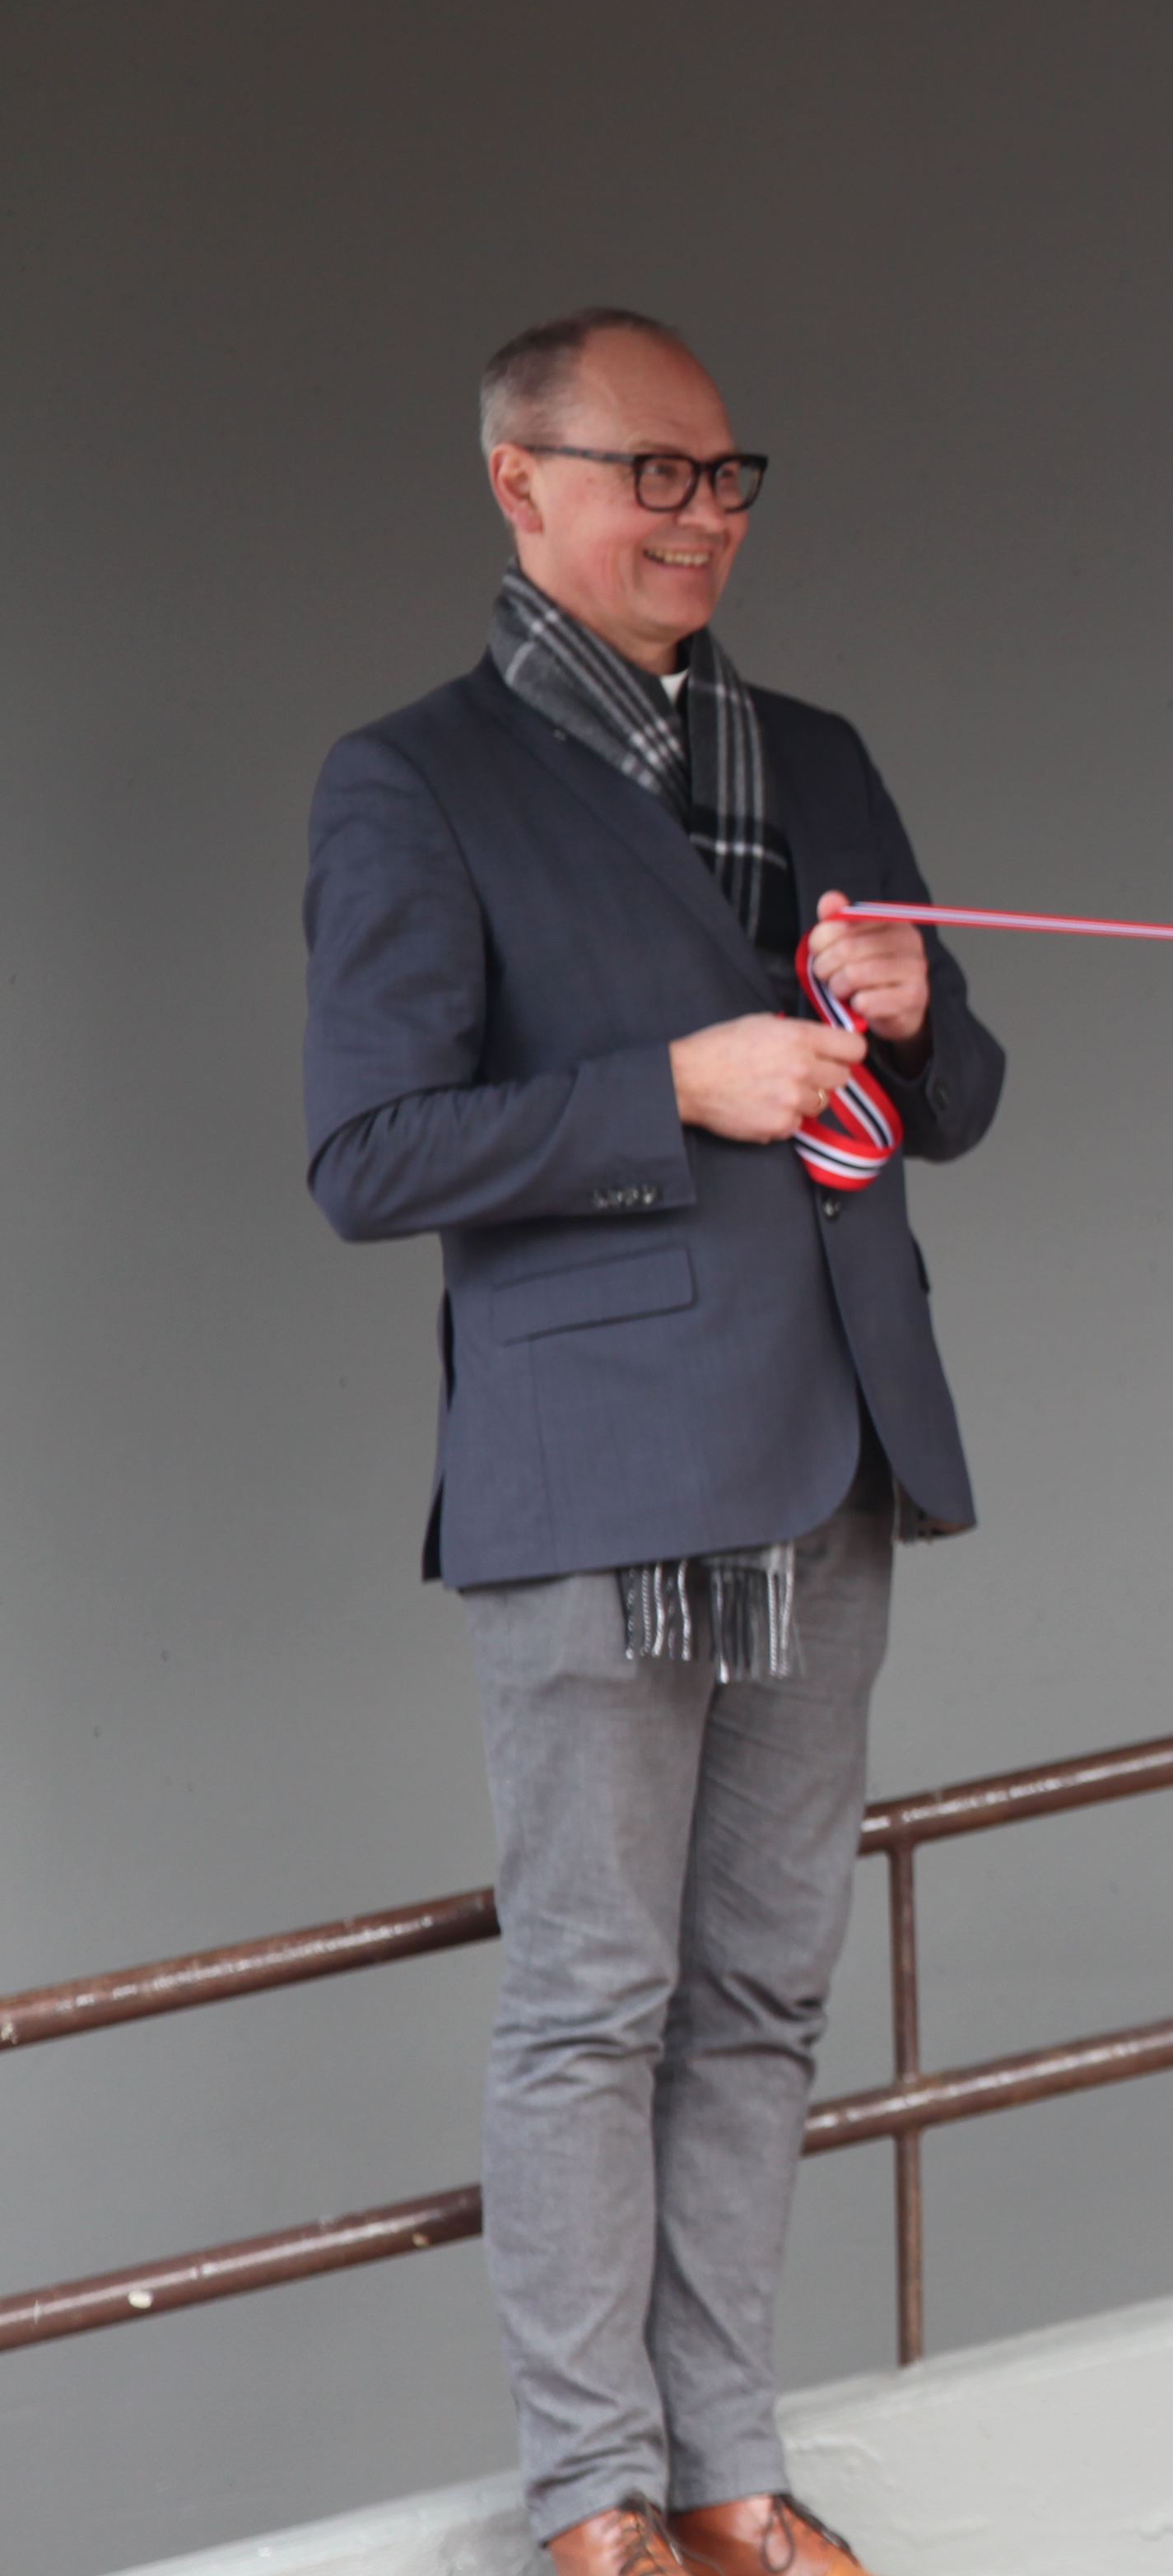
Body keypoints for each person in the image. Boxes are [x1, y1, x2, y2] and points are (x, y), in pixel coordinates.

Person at [303, 310, 1007, 2576]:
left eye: (727, 480)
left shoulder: (819, 752)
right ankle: (592, 2494)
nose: (698, 517)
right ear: (520, 485)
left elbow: (960, 1103)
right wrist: (668, 1094)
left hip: (834, 1445)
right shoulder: (414, 779)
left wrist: (919, 1016)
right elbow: (372, 1151)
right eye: (651, 474)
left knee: (768, 1990)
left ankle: (729, 2465)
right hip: (597, 1464)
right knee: (592, 1996)